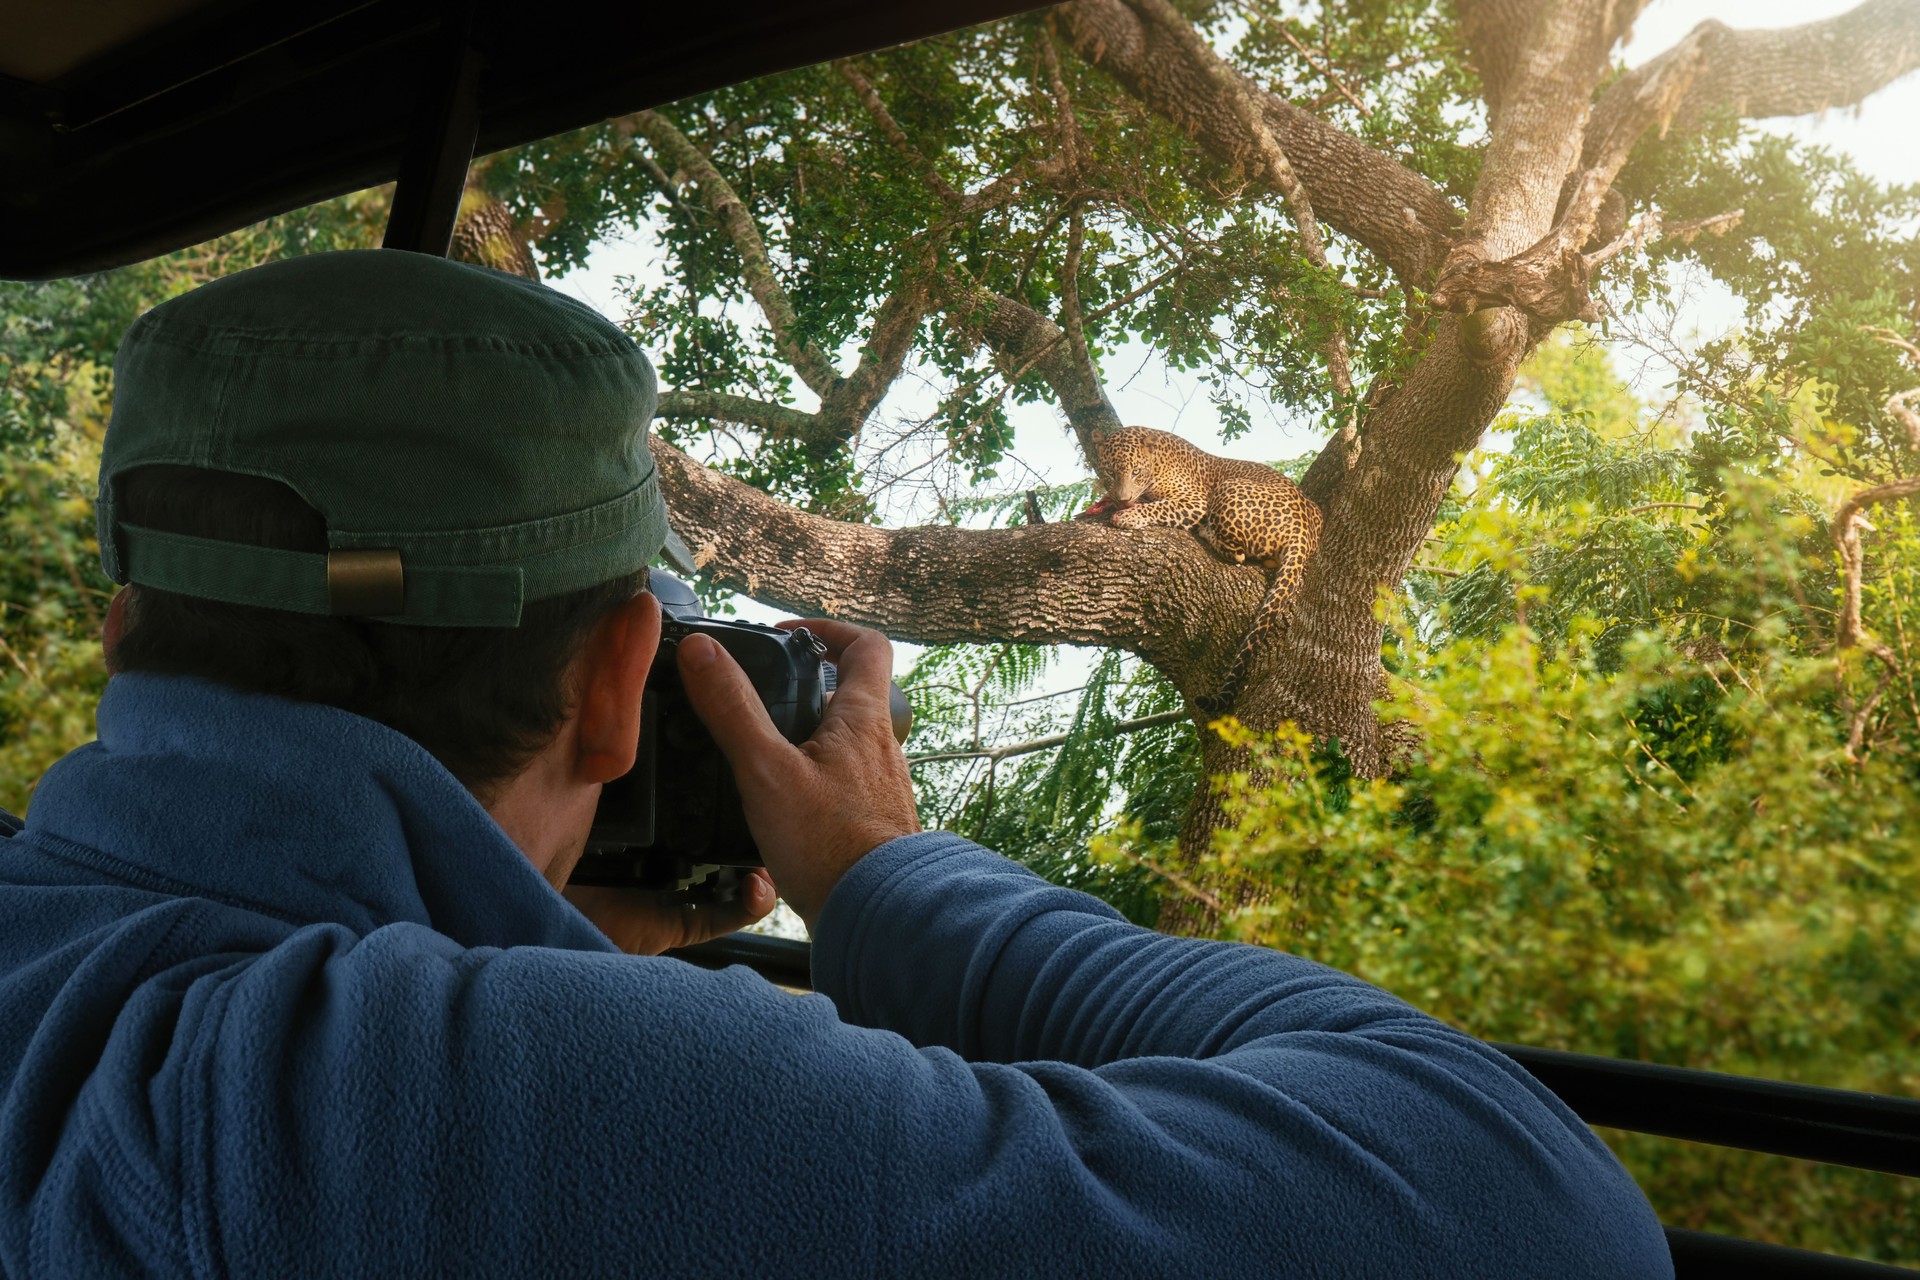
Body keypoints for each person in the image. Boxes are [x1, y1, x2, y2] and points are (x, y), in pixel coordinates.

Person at [0, 250, 1671, 1278]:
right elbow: (1528, 1202)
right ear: (620, 688)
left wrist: (543, 922)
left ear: (130, 622)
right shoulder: (435, 1090)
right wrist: (890, 877)